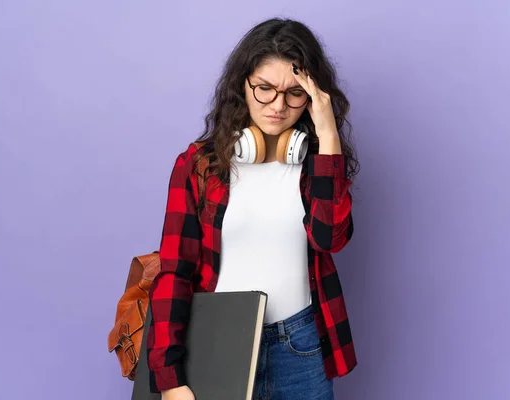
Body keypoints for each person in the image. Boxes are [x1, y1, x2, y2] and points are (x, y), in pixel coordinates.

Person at [147, 18, 360, 400]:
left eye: (295, 94)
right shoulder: (198, 165)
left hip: (301, 348)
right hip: (218, 343)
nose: (278, 106)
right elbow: (174, 271)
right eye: (264, 89)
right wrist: (169, 378)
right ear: (242, 84)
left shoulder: (316, 164)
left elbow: (331, 239)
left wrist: (328, 138)